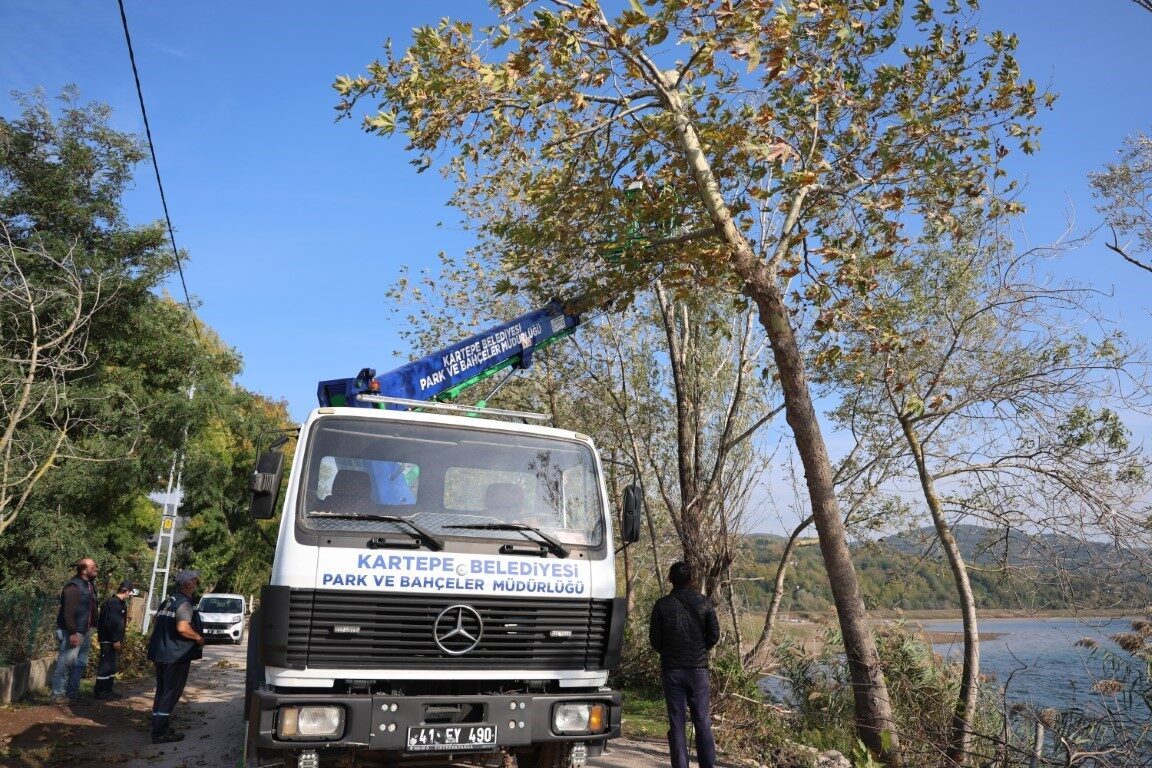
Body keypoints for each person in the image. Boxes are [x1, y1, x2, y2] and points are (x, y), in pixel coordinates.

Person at [649, 561, 721, 768]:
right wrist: (698, 649)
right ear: (692, 580)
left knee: (677, 724)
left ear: (670, 579)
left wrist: (671, 653)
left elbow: (655, 640)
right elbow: (714, 635)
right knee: (703, 722)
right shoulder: (704, 602)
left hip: (672, 670)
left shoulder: (662, 605)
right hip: (698, 671)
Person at [147, 569, 205, 744]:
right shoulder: (185, 603)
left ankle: (158, 725)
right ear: (187, 584)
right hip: (175, 655)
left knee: (162, 690)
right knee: (171, 692)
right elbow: (182, 628)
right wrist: (198, 637)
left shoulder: (168, 600)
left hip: (161, 652)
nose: (197, 583)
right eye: (195, 580)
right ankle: (159, 733)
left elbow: (155, 621)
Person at [51, 557, 99, 705]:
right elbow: (68, 612)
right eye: (93, 567)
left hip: (84, 631)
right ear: (84, 570)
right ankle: (57, 695)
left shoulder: (89, 585)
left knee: (80, 663)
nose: (96, 569)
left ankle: (72, 694)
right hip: (73, 631)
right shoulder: (73, 587)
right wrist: (72, 632)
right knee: (66, 663)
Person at [94, 580, 134, 700]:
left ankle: (108, 689)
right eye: (130, 591)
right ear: (126, 591)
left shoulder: (118, 603)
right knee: (105, 665)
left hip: (112, 639)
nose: (131, 594)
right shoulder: (114, 604)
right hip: (108, 639)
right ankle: (101, 691)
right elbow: (111, 623)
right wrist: (116, 639)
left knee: (111, 666)